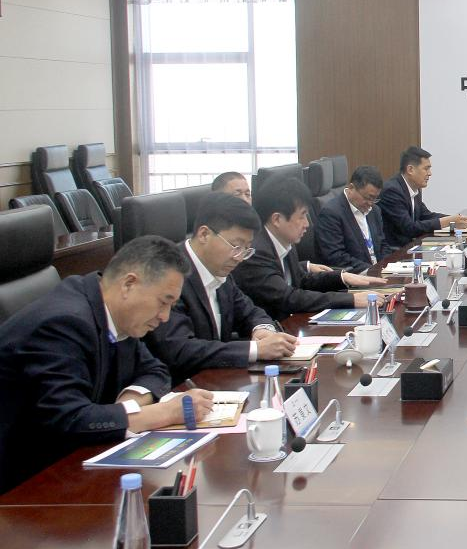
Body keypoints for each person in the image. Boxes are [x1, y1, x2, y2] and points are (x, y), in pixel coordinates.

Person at [0, 236, 214, 492]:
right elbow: (70, 419)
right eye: (163, 302)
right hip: (25, 484)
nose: (165, 316)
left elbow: (155, 369)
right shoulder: (64, 323)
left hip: (74, 464)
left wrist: (129, 406)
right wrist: (164, 413)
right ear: (128, 284)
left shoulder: (113, 312)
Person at [146, 193, 297, 385]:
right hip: (181, 388)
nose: (239, 257)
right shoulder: (171, 276)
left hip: (217, 382)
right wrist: (256, 350)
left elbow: (250, 311)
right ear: (204, 234)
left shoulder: (219, 269)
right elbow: (180, 349)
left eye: (246, 249)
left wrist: (263, 330)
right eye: (236, 246)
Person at [234, 178, 387, 319]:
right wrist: (350, 299)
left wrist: (342, 277)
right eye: (302, 216)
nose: (307, 224)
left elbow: (302, 280)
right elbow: (289, 298)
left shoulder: (284, 242)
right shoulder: (257, 252)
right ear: (277, 219)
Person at [379, 147, 467, 248]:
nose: (430, 173)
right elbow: (409, 228)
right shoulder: (392, 191)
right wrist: (449, 221)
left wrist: (458, 219)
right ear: (410, 169)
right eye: (426, 168)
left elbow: (426, 215)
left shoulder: (413, 188)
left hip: (411, 247)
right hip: (396, 252)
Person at [316, 165, 386, 272]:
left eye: (375, 199)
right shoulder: (331, 213)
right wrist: (372, 270)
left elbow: (383, 244)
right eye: (367, 198)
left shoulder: (374, 211)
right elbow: (336, 257)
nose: (370, 203)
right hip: (355, 275)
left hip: (378, 273)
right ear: (351, 188)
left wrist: (389, 266)